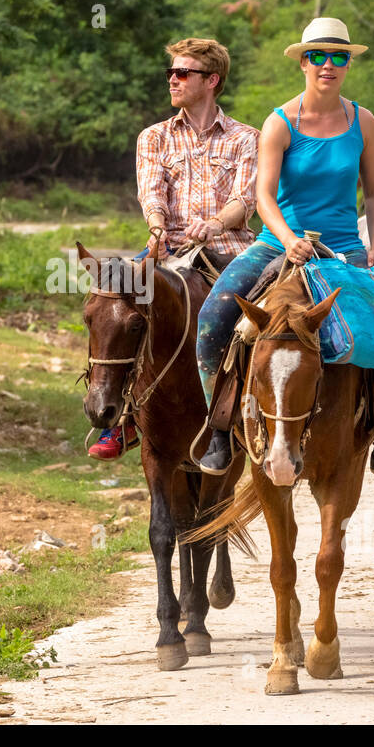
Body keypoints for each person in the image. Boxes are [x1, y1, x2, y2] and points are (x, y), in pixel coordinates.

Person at [194, 17, 374, 484]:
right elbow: (264, 197)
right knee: (212, 319)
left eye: (339, 56)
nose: (328, 65)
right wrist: (289, 239)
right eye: (318, 56)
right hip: (279, 243)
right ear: (302, 62)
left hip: (343, 249)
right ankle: (218, 428)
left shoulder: (364, 120)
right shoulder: (279, 122)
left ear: (348, 63)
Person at [88, 37, 259, 460]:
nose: (173, 80)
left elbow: (248, 198)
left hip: (229, 250)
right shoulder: (154, 137)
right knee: (111, 310)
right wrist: (158, 225)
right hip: (167, 251)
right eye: (171, 73)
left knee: (260, 324)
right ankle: (124, 419)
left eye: (183, 73)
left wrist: (215, 223)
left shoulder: (246, 139)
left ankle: (257, 412)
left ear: (212, 80)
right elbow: (151, 191)